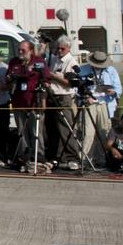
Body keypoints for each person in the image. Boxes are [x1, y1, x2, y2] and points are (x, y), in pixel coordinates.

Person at [7, 39, 50, 172]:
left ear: (30, 50)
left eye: (23, 50)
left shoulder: (38, 61)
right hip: (19, 102)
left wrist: (43, 102)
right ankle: (23, 157)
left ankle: (39, 156)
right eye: (19, 49)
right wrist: (11, 77)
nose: (20, 52)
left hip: (34, 102)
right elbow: (8, 77)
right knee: (22, 132)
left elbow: (46, 81)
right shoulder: (14, 62)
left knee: (36, 132)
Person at [45, 37, 83, 171]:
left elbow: (70, 83)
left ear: (68, 48)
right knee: (52, 128)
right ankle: (57, 156)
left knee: (65, 128)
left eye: (63, 48)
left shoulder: (71, 62)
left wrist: (53, 76)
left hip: (64, 97)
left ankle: (73, 157)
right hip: (52, 95)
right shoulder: (54, 59)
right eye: (58, 48)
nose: (60, 51)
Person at [79, 50, 123, 168]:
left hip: (105, 104)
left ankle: (102, 159)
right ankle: (85, 159)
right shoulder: (83, 69)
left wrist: (113, 92)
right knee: (88, 133)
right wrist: (85, 96)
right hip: (89, 104)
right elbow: (76, 88)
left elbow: (119, 89)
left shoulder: (112, 71)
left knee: (104, 132)